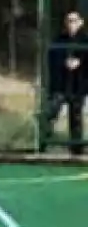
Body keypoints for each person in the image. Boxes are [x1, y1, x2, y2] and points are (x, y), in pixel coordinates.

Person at [46, 10, 86, 155]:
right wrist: (64, 63)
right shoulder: (59, 40)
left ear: (81, 22)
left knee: (75, 117)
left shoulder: (85, 40)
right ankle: (44, 143)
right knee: (50, 112)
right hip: (61, 85)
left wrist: (79, 63)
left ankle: (77, 150)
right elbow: (52, 59)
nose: (71, 24)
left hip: (78, 85)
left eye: (74, 20)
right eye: (69, 20)